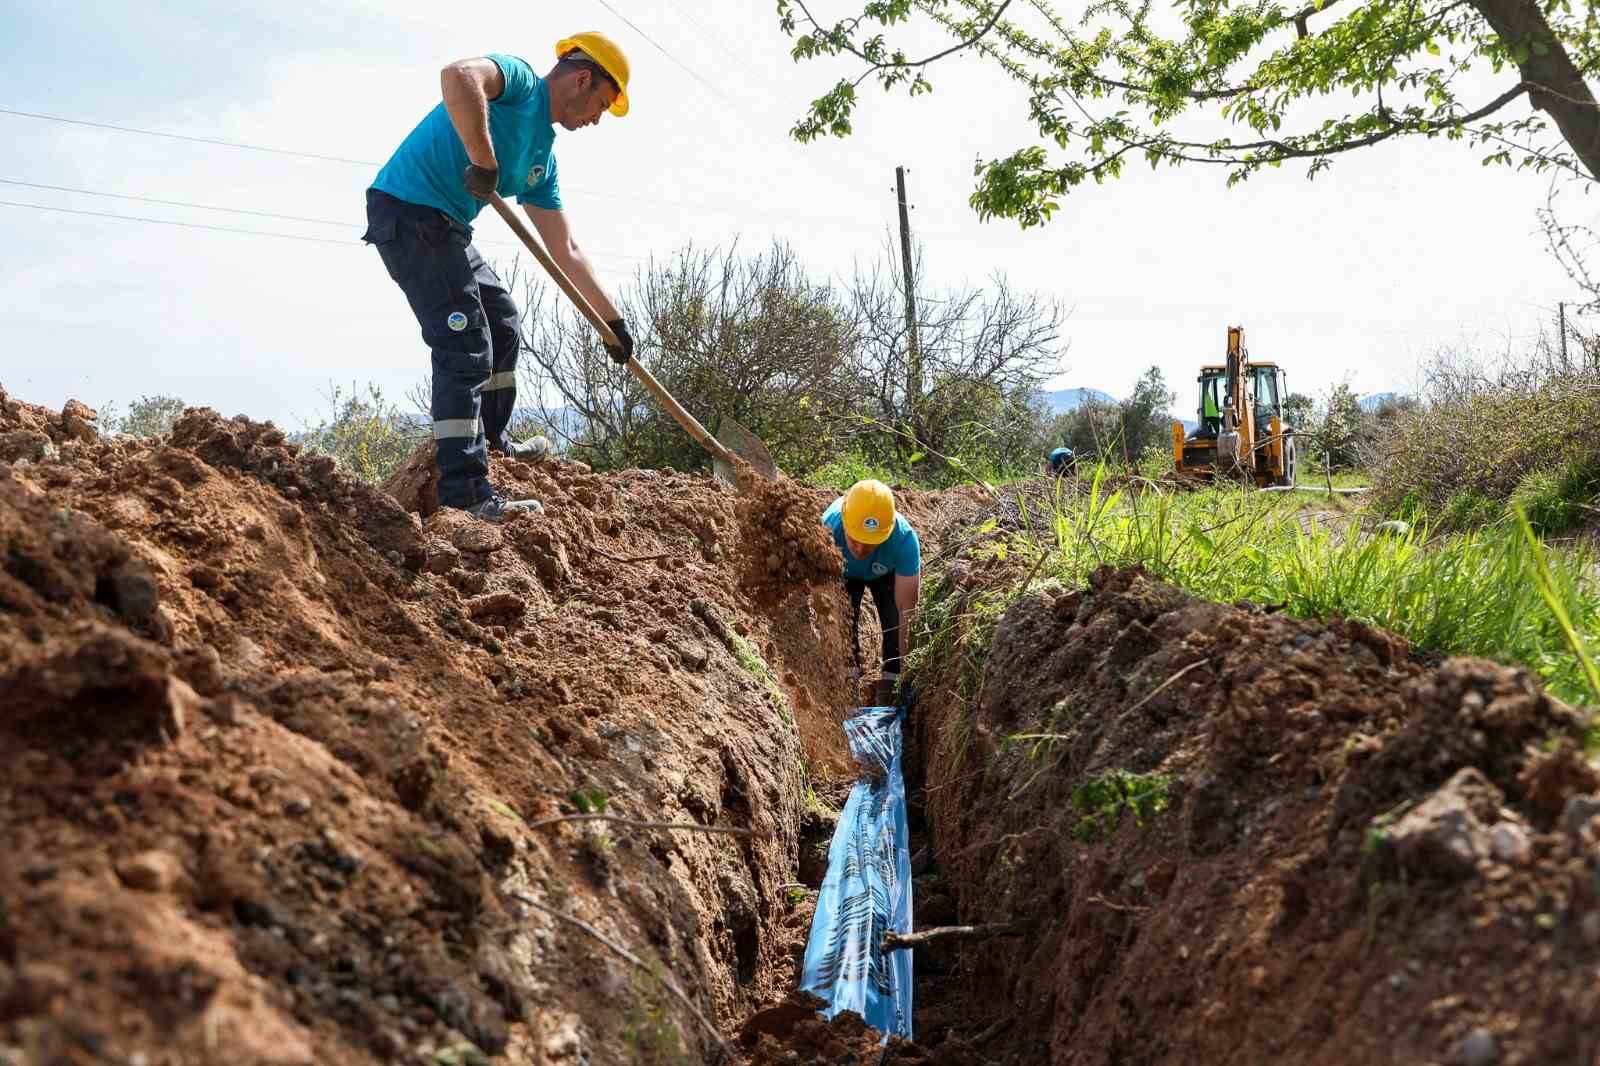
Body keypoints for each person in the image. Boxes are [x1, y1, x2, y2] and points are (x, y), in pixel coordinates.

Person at [363, 33, 635, 521]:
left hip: (448, 227)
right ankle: (464, 494)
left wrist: (611, 323)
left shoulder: (541, 161)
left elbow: (565, 249)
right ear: (582, 78)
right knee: (464, 345)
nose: (597, 118)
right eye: (602, 103)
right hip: (408, 212)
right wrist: (484, 160)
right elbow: (458, 76)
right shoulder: (520, 82)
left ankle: (489, 441)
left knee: (502, 320)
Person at [821, 480, 922, 708]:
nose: (860, 550)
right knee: (844, 623)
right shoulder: (827, 531)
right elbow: (824, 607)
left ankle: (891, 686)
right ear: (845, 524)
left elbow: (907, 610)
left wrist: (905, 675)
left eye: (869, 544)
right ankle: (848, 686)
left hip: (885, 572)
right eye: (855, 540)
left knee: (894, 622)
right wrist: (836, 667)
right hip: (843, 572)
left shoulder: (904, 540)